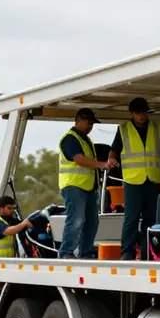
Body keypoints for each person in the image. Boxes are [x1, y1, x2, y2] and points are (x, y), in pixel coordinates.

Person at [108, 97, 160, 260]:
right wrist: (111, 160)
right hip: (133, 180)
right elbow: (114, 150)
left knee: (151, 218)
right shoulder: (123, 130)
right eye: (138, 113)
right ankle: (127, 252)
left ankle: (149, 252)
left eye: (144, 113)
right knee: (131, 218)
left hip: (153, 180)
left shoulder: (157, 128)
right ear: (132, 114)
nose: (142, 116)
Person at [58, 108, 109, 259]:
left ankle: (85, 252)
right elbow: (78, 159)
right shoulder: (70, 139)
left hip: (88, 187)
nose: (90, 127)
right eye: (88, 123)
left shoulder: (86, 140)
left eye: (92, 124)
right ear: (78, 120)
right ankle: (66, 252)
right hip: (74, 186)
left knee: (92, 222)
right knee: (76, 220)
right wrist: (101, 165)